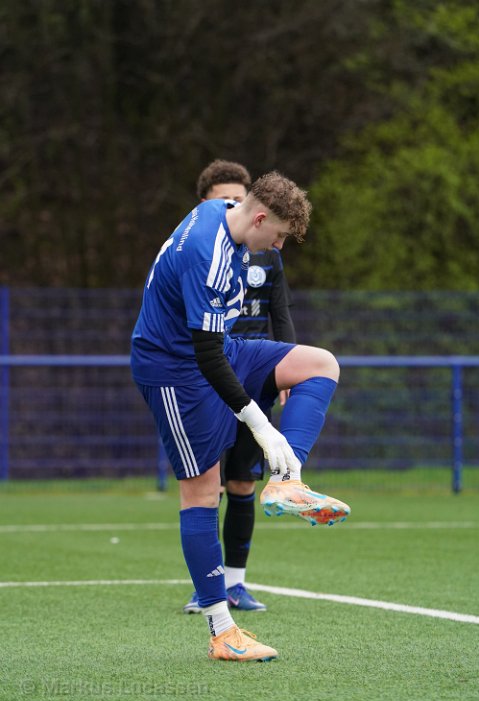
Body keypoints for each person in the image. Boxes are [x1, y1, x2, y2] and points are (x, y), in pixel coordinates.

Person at [131, 170, 350, 662]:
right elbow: (206, 356)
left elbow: (216, 347)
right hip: (174, 370)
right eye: (280, 236)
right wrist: (261, 424)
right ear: (260, 218)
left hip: (219, 349)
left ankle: (287, 481)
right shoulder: (207, 253)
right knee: (202, 491)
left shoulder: (221, 214)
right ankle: (222, 630)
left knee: (320, 364)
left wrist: (272, 435)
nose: (279, 247)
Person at [183, 160, 296, 615]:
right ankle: (206, 588)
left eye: (237, 195)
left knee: (243, 482)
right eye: (222, 198)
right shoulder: (202, 247)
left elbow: (280, 313)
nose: (231, 203)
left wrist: (284, 365)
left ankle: (236, 583)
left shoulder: (268, 253)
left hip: (252, 372)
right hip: (209, 374)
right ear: (206, 203)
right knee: (207, 484)